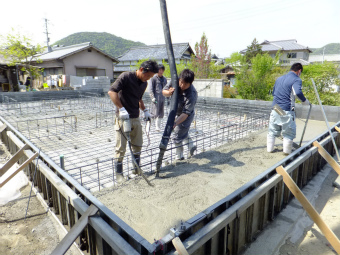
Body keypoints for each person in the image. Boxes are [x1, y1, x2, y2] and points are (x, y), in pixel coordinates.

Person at [108, 60, 159, 182]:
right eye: (148, 75)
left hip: (135, 117)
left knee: (137, 144)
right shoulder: (126, 76)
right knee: (121, 147)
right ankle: (119, 174)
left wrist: (145, 110)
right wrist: (121, 109)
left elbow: (139, 99)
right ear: (142, 69)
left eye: (151, 77)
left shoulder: (143, 84)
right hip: (123, 118)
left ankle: (136, 169)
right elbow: (112, 91)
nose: (148, 79)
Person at [267, 63, 310, 155]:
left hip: (275, 107)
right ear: (299, 71)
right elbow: (297, 92)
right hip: (286, 108)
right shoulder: (296, 79)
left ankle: (270, 150)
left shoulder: (279, 79)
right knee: (288, 132)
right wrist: (304, 101)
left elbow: (274, 92)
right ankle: (286, 153)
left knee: (272, 130)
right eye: (300, 72)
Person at [162, 69, 197, 160]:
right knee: (182, 132)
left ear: (190, 83)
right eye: (181, 82)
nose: (182, 85)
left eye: (185, 84)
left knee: (177, 136)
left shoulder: (192, 94)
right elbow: (163, 91)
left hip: (186, 116)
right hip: (176, 112)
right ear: (179, 79)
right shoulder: (174, 81)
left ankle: (180, 157)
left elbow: (185, 114)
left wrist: (175, 123)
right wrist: (169, 93)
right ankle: (191, 146)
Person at [149, 64, 167, 131]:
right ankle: (148, 127)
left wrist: (167, 98)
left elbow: (166, 89)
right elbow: (150, 89)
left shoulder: (164, 79)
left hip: (163, 97)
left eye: (162, 70)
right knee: (154, 113)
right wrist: (152, 97)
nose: (161, 71)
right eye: (159, 70)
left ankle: (157, 127)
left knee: (160, 113)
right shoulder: (153, 78)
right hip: (156, 97)